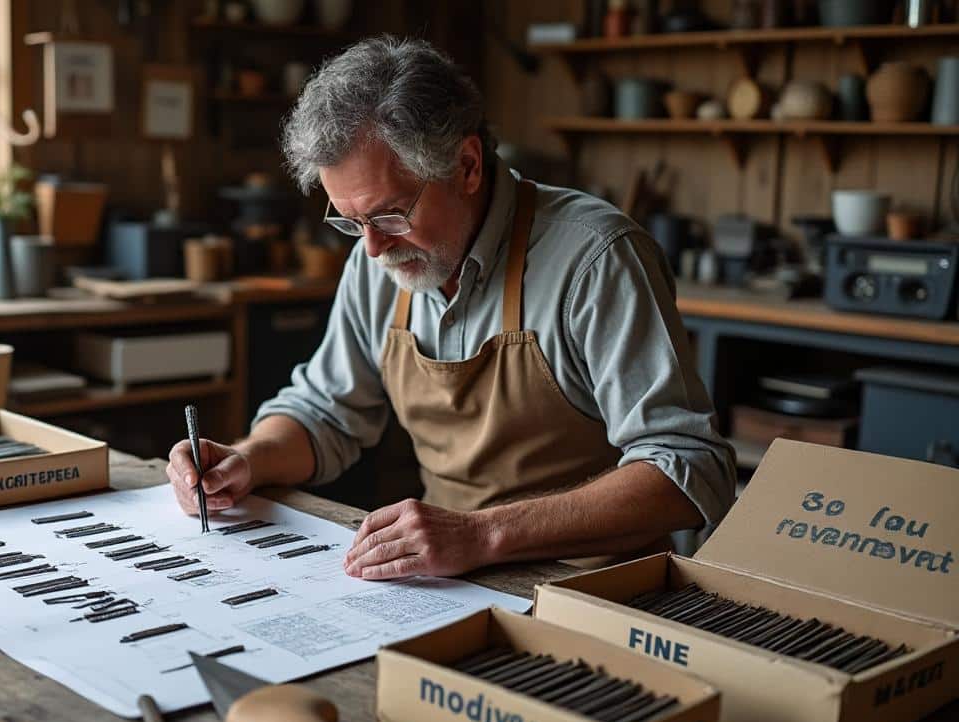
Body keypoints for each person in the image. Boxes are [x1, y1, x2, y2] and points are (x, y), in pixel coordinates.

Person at [167, 37, 735, 580]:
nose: (370, 247)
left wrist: (483, 534)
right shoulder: (378, 258)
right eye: (350, 221)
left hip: (598, 591)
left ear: (467, 166)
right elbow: (326, 412)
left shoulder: (595, 258)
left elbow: (687, 470)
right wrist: (249, 459)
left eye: (390, 214)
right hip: (454, 583)